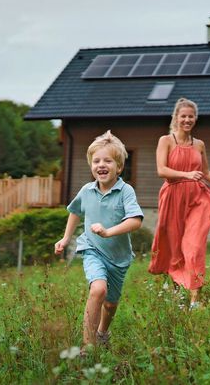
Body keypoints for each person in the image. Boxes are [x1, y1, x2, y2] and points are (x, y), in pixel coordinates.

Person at [54, 131, 144, 349]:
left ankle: (103, 331)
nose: (101, 165)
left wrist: (109, 232)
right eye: (96, 161)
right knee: (98, 290)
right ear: (91, 165)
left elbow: (136, 220)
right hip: (92, 249)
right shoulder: (86, 190)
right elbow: (75, 211)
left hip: (118, 257)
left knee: (111, 303)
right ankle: (88, 346)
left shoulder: (125, 191)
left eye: (108, 160)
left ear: (119, 167)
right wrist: (66, 238)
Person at [148, 98, 210, 308]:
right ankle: (177, 293)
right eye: (183, 116)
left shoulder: (199, 144)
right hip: (173, 198)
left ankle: (195, 300)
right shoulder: (166, 140)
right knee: (174, 249)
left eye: (191, 116)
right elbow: (161, 170)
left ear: (195, 119)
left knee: (194, 247)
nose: (187, 120)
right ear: (176, 118)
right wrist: (187, 174)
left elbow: (205, 172)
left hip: (198, 198)